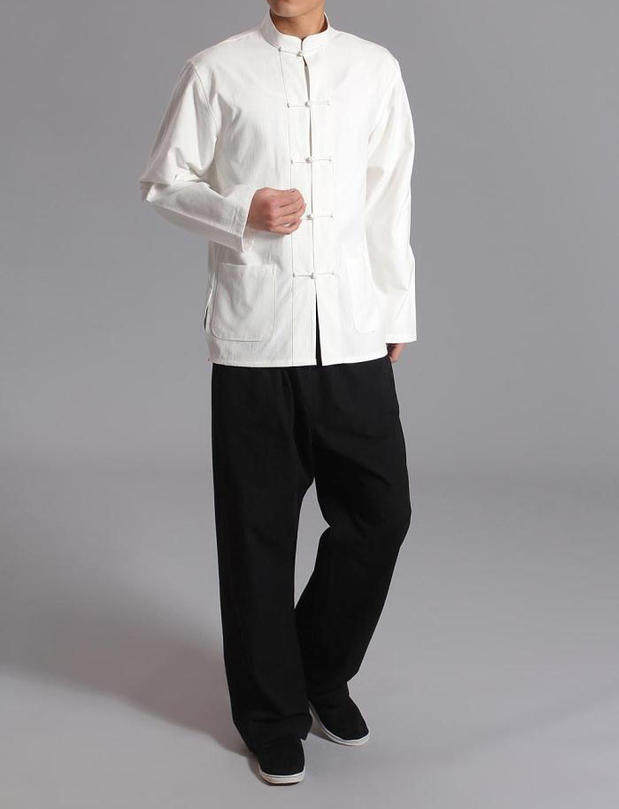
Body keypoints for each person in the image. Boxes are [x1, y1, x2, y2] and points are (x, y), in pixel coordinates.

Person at [138, 0, 417, 785]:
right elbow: (163, 182)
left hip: (351, 332)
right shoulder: (216, 70)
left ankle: (318, 671)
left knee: (379, 514)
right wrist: (240, 211)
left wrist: (394, 308)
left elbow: (388, 195)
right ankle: (269, 714)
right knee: (256, 534)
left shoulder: (373, 69)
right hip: (257, 336)